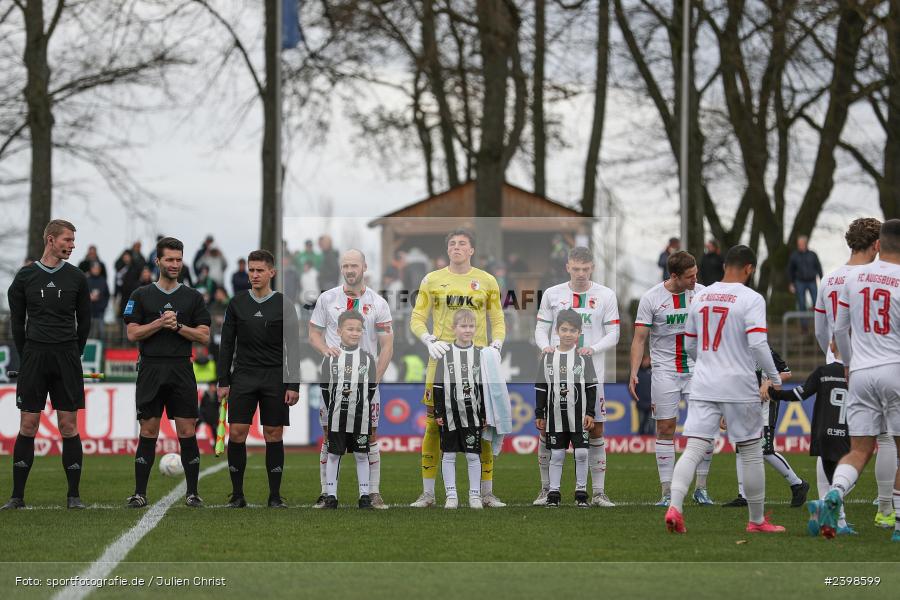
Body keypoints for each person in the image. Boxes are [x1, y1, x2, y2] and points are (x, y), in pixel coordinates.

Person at [664, 245, 786, 534]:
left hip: (704, 381)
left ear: (724, 267)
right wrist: (774, 377)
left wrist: (707, 363)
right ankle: (756, 521)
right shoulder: (751, 298)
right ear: (749, 269)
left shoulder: (701, 295)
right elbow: (757, 344)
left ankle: (675, 506)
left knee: (693, 448)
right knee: (751, 451)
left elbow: (690, 344)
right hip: (739, 384)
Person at [809, 219, 900, 541]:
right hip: (892, 366)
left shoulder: (844, 278)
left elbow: (832, 331)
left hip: (855, 370)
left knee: (847, 446)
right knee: (891, 443)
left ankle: (833, 498)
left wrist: (844, 363)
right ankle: (891, 516)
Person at [409, 229, 506, 508]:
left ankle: (485, 493)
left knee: (484, 426)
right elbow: (417, 317)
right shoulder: (432, 279)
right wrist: (428, 340)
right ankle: (428, 494)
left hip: (478, 365)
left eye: (462, 243)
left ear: (472, 250)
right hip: (440, 361)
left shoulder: (486, 280)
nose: (456, 247)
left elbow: (497, 319)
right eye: (452, 243)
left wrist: (496, 345)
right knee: (432, 426)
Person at [2, 220, 90, 510]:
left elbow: (85, 323)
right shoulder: (25, 277)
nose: (73, 245)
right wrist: (27, 354)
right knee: (28, 425)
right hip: (35, 357)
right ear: (51, 240)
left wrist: (72, 353)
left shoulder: (77, 277)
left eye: (73, 240)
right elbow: (16, 322)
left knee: (68, 425)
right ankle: (17, 497)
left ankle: (74, 496)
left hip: (66, 357)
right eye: (68, 239)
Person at [122, 237, 211, 509]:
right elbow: (132, 332)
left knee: (186, 429)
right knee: (148, 429)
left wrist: (178, 327)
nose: (174, 264)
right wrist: (160, 322)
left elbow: (205, 336)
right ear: (157, 261)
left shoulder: (193, 297)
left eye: (178, 259)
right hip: (150, 368)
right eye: (169, 259)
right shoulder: (140, 295)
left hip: (181, 368)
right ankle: (140, 493)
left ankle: (193, 493)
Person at [533, 246, 619, 507]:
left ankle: (598, 493)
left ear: (592, 267)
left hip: (590, 375)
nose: (580, 273)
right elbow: (540, 328)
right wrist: (544, 346)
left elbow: (614, 334)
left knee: (595, 429)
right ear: (567, 267)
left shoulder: (606, 295)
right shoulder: (552, 294)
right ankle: (546, 489)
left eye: (585, 268)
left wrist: (592, 349)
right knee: (548, 431)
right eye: (576, 268)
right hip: (556, 374)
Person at [309, 249, 393, 509]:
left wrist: (375, 381)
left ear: (364, 267)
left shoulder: (378, 302)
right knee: (328, 433)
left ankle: (373, 493)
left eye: (354, 265)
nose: (349, 270)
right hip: (334, 382)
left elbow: (387, 345)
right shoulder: (327, 299)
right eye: (345, 265)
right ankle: (326, 493)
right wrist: (325, 351)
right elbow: (313, 333)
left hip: (366, 380)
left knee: (368, 436)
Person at [217, 250, 300, 509]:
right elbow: (227, 344)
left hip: (275, 377)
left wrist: (293, 384)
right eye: (251, 270)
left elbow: (294, 347)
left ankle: (275, 496)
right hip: (243, 376)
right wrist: (223, 380)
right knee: (238, 433)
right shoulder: (237, 303)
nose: (254, 274)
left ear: (271, 273)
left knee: (273, 434)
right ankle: (237, 495)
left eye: (259, 270)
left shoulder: (284, 304)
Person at [630, 251, 713, 507]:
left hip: (698, 369)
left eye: (696, 274)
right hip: (665, 371)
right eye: (690, 276)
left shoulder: (703, 293)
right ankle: (666, 492)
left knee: (704, 427)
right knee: (665, 429)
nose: (695, 279)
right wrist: (633, 372)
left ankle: (701, 488)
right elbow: (640, 338)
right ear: (674, 275)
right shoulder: (652, 298)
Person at [766, 341, 855, 534]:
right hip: (846, 435)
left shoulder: (823, 372)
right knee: (847, 479)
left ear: (831, 347)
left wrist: (774, 393)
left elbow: (799, 394)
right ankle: (825, 506)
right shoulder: (857, 373)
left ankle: (840, 524)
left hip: (822, 434)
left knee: (833, 479)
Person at [722, 346, 808, 508]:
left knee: (765, 450)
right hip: (744, 405)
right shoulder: (735, 350)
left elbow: (786, 373)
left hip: (766, 406)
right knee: (741, 446)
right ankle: (743, 496)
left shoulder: (763, 349)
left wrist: (769, 382)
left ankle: (797, 484)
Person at [535, 309, 597, 508]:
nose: (568, 334)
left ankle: (581, 494)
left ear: (579, 333)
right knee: (558, 454)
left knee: (581, 453)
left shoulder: (584, 357)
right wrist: (539, 413)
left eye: (572, 330)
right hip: (555, 417)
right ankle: (553, 493)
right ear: (556, 331)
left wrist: (590, 413)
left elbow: (591, 386)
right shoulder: (547, 357)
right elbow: (541, 387)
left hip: (578, 417)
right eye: (564, 329)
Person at [319, 310, 378, 510]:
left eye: (358, 330)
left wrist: (360, 407)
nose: (354, 333)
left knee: (362, 455)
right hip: (337, 417)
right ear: (339, 331)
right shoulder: (330, 358)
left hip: (360, 417)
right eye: (350, 329)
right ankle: (331, 497)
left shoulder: (368, 359)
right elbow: (325, 390)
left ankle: (364, 496)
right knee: (334, 455)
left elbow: (370, 390)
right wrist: (333, 410)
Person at [433, 309, 487, 509]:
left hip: (472, 415)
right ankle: (451, 496)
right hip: (449, 414)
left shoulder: (481, 354)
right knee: (449, 454)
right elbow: (438, 385)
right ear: (453, 328)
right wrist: (438, 411)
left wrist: (484, 413)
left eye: (471, 326)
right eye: (463, 326)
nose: (467, 330)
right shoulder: (444, 354)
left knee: (473, 455)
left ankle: (475, 496)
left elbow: (484, 387)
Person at [787, 235, 823, 311]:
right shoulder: (794, 256)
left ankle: (817, 322)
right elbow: (790, 270)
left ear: (805, 243)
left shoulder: (813, 255)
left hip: (812, 281)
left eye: (801, 243)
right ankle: (804, 323)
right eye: (798, 244)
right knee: (801, 303)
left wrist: (822, 280)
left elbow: (818, 267)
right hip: (799, 282)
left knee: (816, 302)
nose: (799, 245)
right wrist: (791, 283)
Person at [87, 261, 110, 340]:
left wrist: (103, 306)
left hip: (100, 310)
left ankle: (102, 349)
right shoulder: (86, 280)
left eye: (97, 268)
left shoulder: (103, 281)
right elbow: (81, 294)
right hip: (88, 310)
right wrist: (89, 297)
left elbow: (107, 295)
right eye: (94, 268)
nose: (96, 270)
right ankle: (86, 350)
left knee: (101, 331)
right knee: (88, 330)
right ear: (91, 269)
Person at [634, 354, 654, 435]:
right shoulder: (636, 372)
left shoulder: (654, 372)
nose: (647, 362)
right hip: (641, 403)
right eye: (645, 360)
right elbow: (631, 386)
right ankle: (640, 443)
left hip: (652, 403)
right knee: (641, 423)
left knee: (651, 425)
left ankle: (650, 444)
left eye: (648, 360)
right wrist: (635, 397)